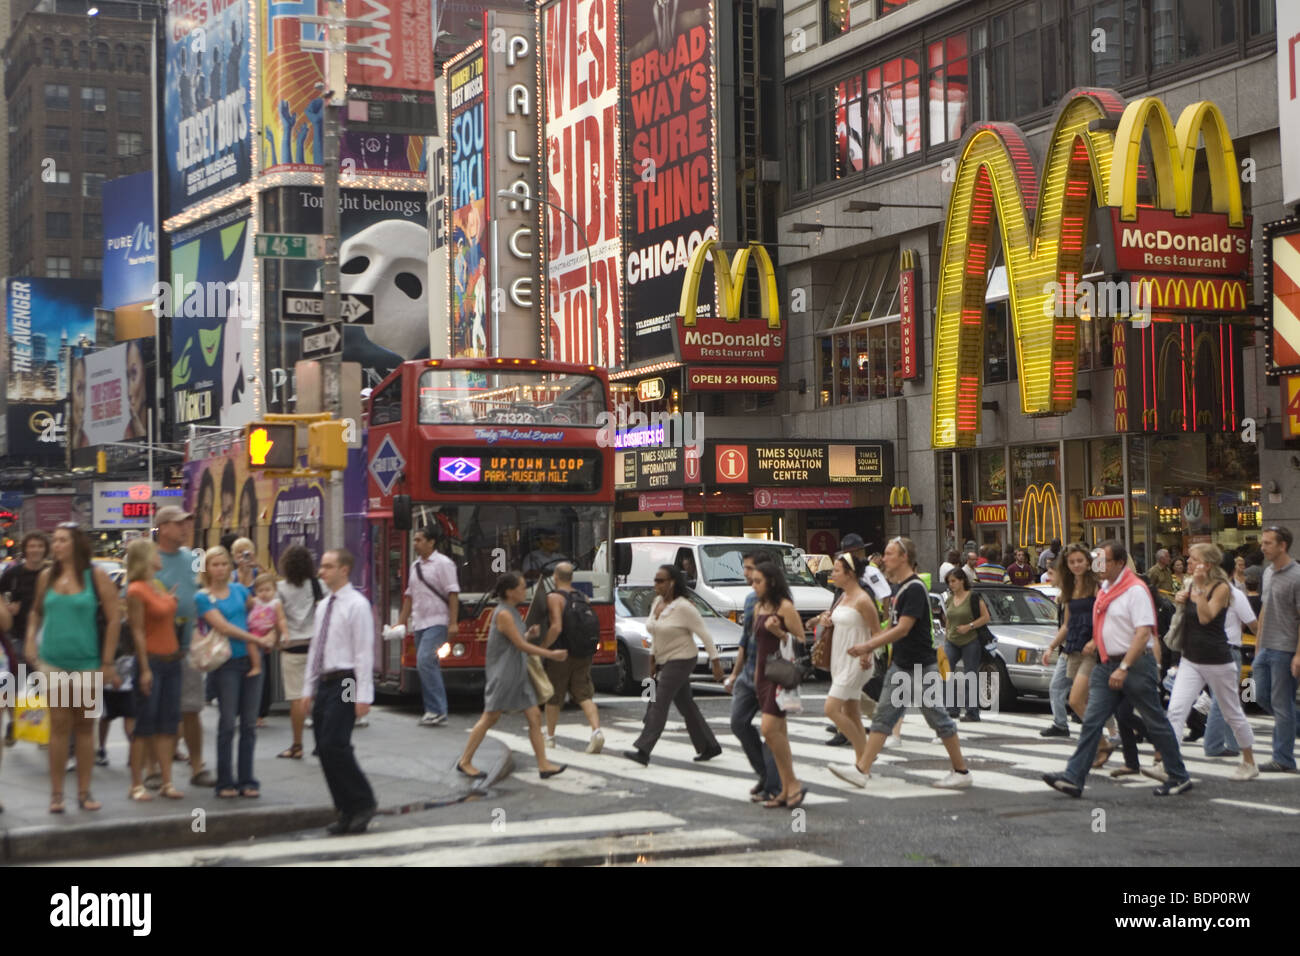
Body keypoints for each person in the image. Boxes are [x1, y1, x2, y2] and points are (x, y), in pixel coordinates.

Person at [1042, 540, 1192, 798]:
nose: (1097, 566)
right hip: (1106, 663)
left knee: (1154, 721)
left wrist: (1125, 666)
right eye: (1096, 560)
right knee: (1091, 721)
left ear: (1119, 563)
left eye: (1103, 561)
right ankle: (1073, 777)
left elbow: (1144, 631)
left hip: (1132, 664)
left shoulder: (1135, 589)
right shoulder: (1107, 588)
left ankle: (1178, 775)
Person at [846, 537, 972, 789]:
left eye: (890, 553)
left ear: (904, 557)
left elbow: (903, 629)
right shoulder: (900, 588)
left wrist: (868, 646)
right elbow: (892, 627)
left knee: (937, 717)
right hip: (903, 663)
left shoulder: (914, 588)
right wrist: (872, 647)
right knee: (883, 717)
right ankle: (862, 770)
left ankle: (961, 771)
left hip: (920, 664)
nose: (884, 558)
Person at [25, 523, 121, 813]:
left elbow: (115, 619)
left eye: (62, 540)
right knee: (58, 727)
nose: (56, 545)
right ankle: (56, 794)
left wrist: (107, 662)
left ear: (76, 544)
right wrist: (30, 638)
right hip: (52, 661)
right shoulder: (46, 576)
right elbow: (36, 611)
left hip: (88, 663)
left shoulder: (97, 576)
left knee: (84, 727)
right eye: (55, 540)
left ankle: (84, 791)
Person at [457, 572, 568, 781]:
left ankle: (543, 764)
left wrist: (530, 634)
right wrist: (551, 654)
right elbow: (519, 645)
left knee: (534, 716)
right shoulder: (504, 614)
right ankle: (465, 761)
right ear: (509, 592)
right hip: (504, 674)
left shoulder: (513, 612)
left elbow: (516, 640)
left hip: (518, 672)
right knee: (490, 717)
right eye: (521, 587)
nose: (524, 591)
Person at [1164, 543, 1257, 780]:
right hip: (1191, 657)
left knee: (1231, 712)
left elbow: (1206, 618)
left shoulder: (1222, 588)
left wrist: (1197, 592)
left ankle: (1249, 760)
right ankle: (1169, 763)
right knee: (1175, 710)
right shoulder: (1191, 584)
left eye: (1194, 560)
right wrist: (1182, 600)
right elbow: (1186, 620)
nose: (1189, 564)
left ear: (1208, 564)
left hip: (1218, 658)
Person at [304, 548, 380, 834]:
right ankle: (346, 808)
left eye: (327, 566)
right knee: (324, 747)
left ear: (344, 570)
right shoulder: (324, 605)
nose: (321, 571)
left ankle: (363, 802)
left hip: (347, 680)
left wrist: (363, 696)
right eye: (321, 566)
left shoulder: (357, 605)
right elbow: (316, 648)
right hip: (325, 681)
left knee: (335, 742)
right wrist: (307, 689)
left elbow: (363, 652)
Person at [625, 564, 726, 767]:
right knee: (686, 706)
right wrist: (652, 660)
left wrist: (716, 662)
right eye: (655, 580)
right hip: (664, 659)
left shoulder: (684, 607)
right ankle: (709, 746)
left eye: (660, 581)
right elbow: (655, 633)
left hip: (682, 658)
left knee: (659, 702)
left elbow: (704, 634)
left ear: (672, 583)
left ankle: (644, 749)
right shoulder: (656, 603)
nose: (656, 584)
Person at [196, 545, 272, 798]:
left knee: (249, 724)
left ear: (230, 567)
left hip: (250, 660)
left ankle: (248, 779)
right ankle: (225, 780)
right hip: (226, 663)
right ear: (207, 568)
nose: (220, 569)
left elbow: (260, 613)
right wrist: (256, 639)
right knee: (227, 723)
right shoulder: (203, 597)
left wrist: (271, 632)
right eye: (215, 564)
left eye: (224, 564)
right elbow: (224, 627)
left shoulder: (240, 590)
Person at [153, 505, 214, 788]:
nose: (185, 528)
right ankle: (153, 769)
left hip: (189, 645)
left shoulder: (192, 558)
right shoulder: (150, 559)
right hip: (158, 647)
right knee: (157, 711)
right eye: (179, 524)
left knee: (191, 708)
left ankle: (197, 764)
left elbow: (201, 589)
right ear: (163, 527)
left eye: (186, 523)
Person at [123, 538, 184, 801]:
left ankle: (166, 781)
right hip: (153, 662)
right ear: (146, 558)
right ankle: (137, 784)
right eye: (154, 552)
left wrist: (169, 599)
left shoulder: (155, 586)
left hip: (172, 660)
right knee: (145, 725)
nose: (160, 555)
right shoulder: (136, 589)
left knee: (168, 724)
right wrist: (145, 669)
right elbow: (137, 631)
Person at [747, 560, 809, 807]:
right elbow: (757, 644)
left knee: (769, 729)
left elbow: (802, 642)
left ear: (771, 582)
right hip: (762, 674)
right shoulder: (759, 607)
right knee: (776, 733)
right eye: (753, 581)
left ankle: (793, 783)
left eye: (758, 581)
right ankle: (785, 788)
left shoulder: (785, 607)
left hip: (780, 675)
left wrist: (781, 634)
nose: (754, 585)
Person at [723, 550, 781, 802]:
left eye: (749, 569)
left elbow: (797, 641)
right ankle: (765, 775)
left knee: (771, 731)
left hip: (771, 675)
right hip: (749, 675)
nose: (745, 574)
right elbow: (745, 640)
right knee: (738, 722)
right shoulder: (749, 601)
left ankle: (774, 784)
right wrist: (735, 674)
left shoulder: (781, 603)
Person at [825, 555, 883, 787]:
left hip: (857, 662)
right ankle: (862, 764)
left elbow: (877, 632)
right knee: (852, 712)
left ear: (849, 573)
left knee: (831, 709)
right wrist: (822, 620)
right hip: (839, 658)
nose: (833, 574)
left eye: (837, 570)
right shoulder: (842, 597)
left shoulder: (862, 599)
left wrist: (869, 653)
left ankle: (865, 755)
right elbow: (834, 621)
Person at [397, 523, 460, 727]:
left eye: (419, 540)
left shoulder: (444, 564)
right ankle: (432, 709)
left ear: (431, 542)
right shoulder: (415, 566)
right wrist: (400, 623)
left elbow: (453, 593)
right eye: (414, 540)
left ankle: (437, 710)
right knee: (426, 664)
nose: (415, 544)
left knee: (425, 661)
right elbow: (409, 596)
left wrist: (453, 622)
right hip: (419, 622)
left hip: (437, 621)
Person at [540, 562, 604, 753]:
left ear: (555, 577)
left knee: (554, 696)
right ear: (572, 578)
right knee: (584, 694)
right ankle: (596, 731)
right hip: (583, 653)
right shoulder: (583, 597)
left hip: (561, 654)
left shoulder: (554, 598)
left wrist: (542, 647)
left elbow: (556, 627)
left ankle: (550, 737)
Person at [1253, 526, 1300, 773]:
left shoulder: (1297, 576)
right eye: (1263, 542)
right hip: (1266, 647)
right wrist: (1259, 643)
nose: (1263, 547)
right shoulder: (1268, 572)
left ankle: (1283, 758)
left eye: (1268, 543)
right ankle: (1292, 724)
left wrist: (1298, 654)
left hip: (1285, 649)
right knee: (1260, 696)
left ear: (1283, 546)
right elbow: (1264, 609)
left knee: (1282, 705)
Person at [1041, 544, 1098, 737]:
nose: (1076, 565)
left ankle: (1112, 731)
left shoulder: (1096, 585)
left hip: (1091, 647)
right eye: (1072, 562)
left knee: (1088, 696)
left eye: (1080, 561)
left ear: (1089, 563)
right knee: (1066, 691)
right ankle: (1062, 724)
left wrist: (1096, 640)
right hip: (1072, 646)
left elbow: (1104, 616)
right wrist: (1051, 647)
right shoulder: (1069, 588)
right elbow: (1066, 625)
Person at [1203, 563, 1257, 758]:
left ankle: (1233, 743)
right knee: (1224, 699)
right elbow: (1252, 623)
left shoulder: (1203, 591)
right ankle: (1213, 743)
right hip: (1227, 649)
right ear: (1232, 572)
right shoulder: (1233, 593)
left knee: (1229, 699)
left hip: (1207, 650)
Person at [2, 532, 49, 744]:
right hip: (17, 635)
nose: (35, 550)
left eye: (39, 546)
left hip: (45, 635)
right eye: (32, 546)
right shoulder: (13, 574)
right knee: (15, 684)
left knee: (41, 684)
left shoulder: (51, 574)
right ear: (25, 549)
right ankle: (14, 723)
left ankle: (38, 727)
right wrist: (7, 608)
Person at [275, 545, 320, 760]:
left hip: (292, 646)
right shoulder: (317, 586)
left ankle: (297, 744)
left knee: (296, 698)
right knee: (318, 696)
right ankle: (321, 743)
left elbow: (276, 616)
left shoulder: (280, 588)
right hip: (315, 646)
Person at [940, 567, 989, 722]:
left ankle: (972, 712)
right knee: (946, 673)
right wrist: (947, 636)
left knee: (970, 675)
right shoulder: (949, 599)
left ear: (962, 581)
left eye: (954, 581)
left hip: (971, 640)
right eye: (949, 582)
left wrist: (970, 626)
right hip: (952, 641)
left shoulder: (973, 597)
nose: (951, 584)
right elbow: (948, 619)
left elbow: (986, 617)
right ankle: (952, 708)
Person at [246, 573, 286, 680]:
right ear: (255, 591)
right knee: (251, 643)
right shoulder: (255, 601)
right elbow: (246, 605)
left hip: (269, 631)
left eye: (268, 590)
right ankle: (257, 666)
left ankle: (271, 648)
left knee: (270, 643)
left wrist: (285, 633)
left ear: (275, 590)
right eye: (260, 590)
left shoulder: (276, 603)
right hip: (255, 631)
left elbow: (281, 619)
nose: (264, 594)